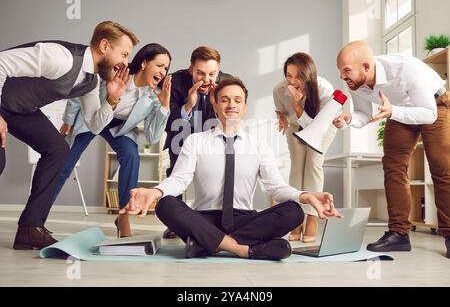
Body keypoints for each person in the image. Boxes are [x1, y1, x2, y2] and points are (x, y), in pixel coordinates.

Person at [120, 76, 343, 260]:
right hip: (204, 218)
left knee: (294, 211)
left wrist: (306, 196)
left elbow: (275, 187)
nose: (231, 105)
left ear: (245, 107)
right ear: (215, 105)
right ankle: (241, 249)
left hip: (245, 219)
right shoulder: (195, 141)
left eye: (237, 100)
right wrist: (155, 191)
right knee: (166, 204)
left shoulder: (259, 145)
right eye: (224, 100)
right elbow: (179, 179)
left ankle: (207, 244)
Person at [0, 21, 139, 250]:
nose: (125, 63)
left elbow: (94, 125)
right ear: (104, 45)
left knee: (58, 149)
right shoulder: (61, 58)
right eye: (124, 54)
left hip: (19, 109)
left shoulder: (90, 81)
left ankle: (30, 229)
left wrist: (112, 99)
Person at [334, 41, 450, 258]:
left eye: (346, 71)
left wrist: (392, 111)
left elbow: (428, 113)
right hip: (398, 111)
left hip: (433, 105)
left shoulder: (406, 70)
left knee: (441, 169)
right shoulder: (356, 83)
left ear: (366, 67)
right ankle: (399, 234)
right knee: (393, 166)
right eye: (341, 71)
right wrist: (350, 118)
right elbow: (362, 113)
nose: (343, 77)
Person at [53, 43, 172, 238]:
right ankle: (37, 218)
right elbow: (84, 90)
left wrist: (164, 107)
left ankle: (123, 218)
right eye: (159, 65)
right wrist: (68, 120)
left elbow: (152, 137)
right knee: (65, 164)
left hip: (120, 128)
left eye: (166, 68)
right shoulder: (117, 71)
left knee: (132, 156)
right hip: (93, 117)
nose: (163, 71)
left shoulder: (153, 97)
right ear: (144, 63)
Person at [162, 46, 231, 238]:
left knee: (219, 176)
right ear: (191, 69)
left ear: (218, 71)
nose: (207, 79)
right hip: (181, 138)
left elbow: (231, 122)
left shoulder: (226, 83)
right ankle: (175, 224)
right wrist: (188, 105)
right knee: (176, 177)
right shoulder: (174, 82)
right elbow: (168, 122)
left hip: (213, 138)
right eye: (200, 73)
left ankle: (215, 222)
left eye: (212, 74)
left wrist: (217, 103)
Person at [273, 52, 337, 243]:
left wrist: (298, 106)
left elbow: (317, 127)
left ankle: (312, 217)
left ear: (308, 75)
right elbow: (281, 111)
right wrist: (282, 118)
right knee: (297, 167)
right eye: (289, 75)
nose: (292, 81)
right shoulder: (279, 89)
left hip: (324, 127)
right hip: (295, 126)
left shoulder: (324, 89)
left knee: (313, 164)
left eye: (298, 76)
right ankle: (295, 217)